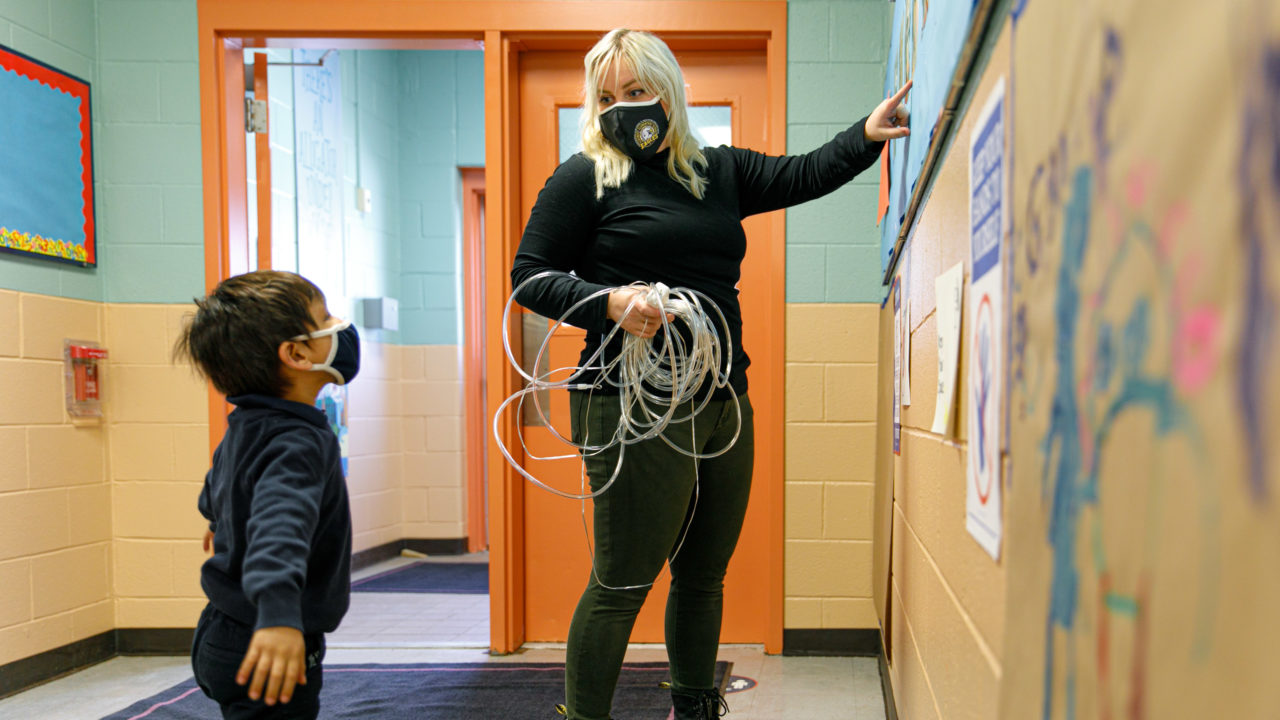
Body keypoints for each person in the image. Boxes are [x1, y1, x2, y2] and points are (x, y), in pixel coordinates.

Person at [510, 28, 911, 720]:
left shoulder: (716, 171)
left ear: (668, 91)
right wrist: (608, 301)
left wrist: (866, 135)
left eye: (636, 91)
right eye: (606, 97)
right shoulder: (585, 177)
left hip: (723, 398)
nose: (622, 109)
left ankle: (695, 708)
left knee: (702, 574)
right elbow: (529, 278)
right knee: (623, 581)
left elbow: (804, 172)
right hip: (628, 402)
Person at [174, 270, 361, 719]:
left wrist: (219, 518)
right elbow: (280, 530)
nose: (339, 325)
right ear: (296, 354)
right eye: (325, 317)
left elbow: (220, 480)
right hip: (264, 634)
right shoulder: (298, 442)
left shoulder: (247, 422)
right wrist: (279, 617)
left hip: (223, 628)